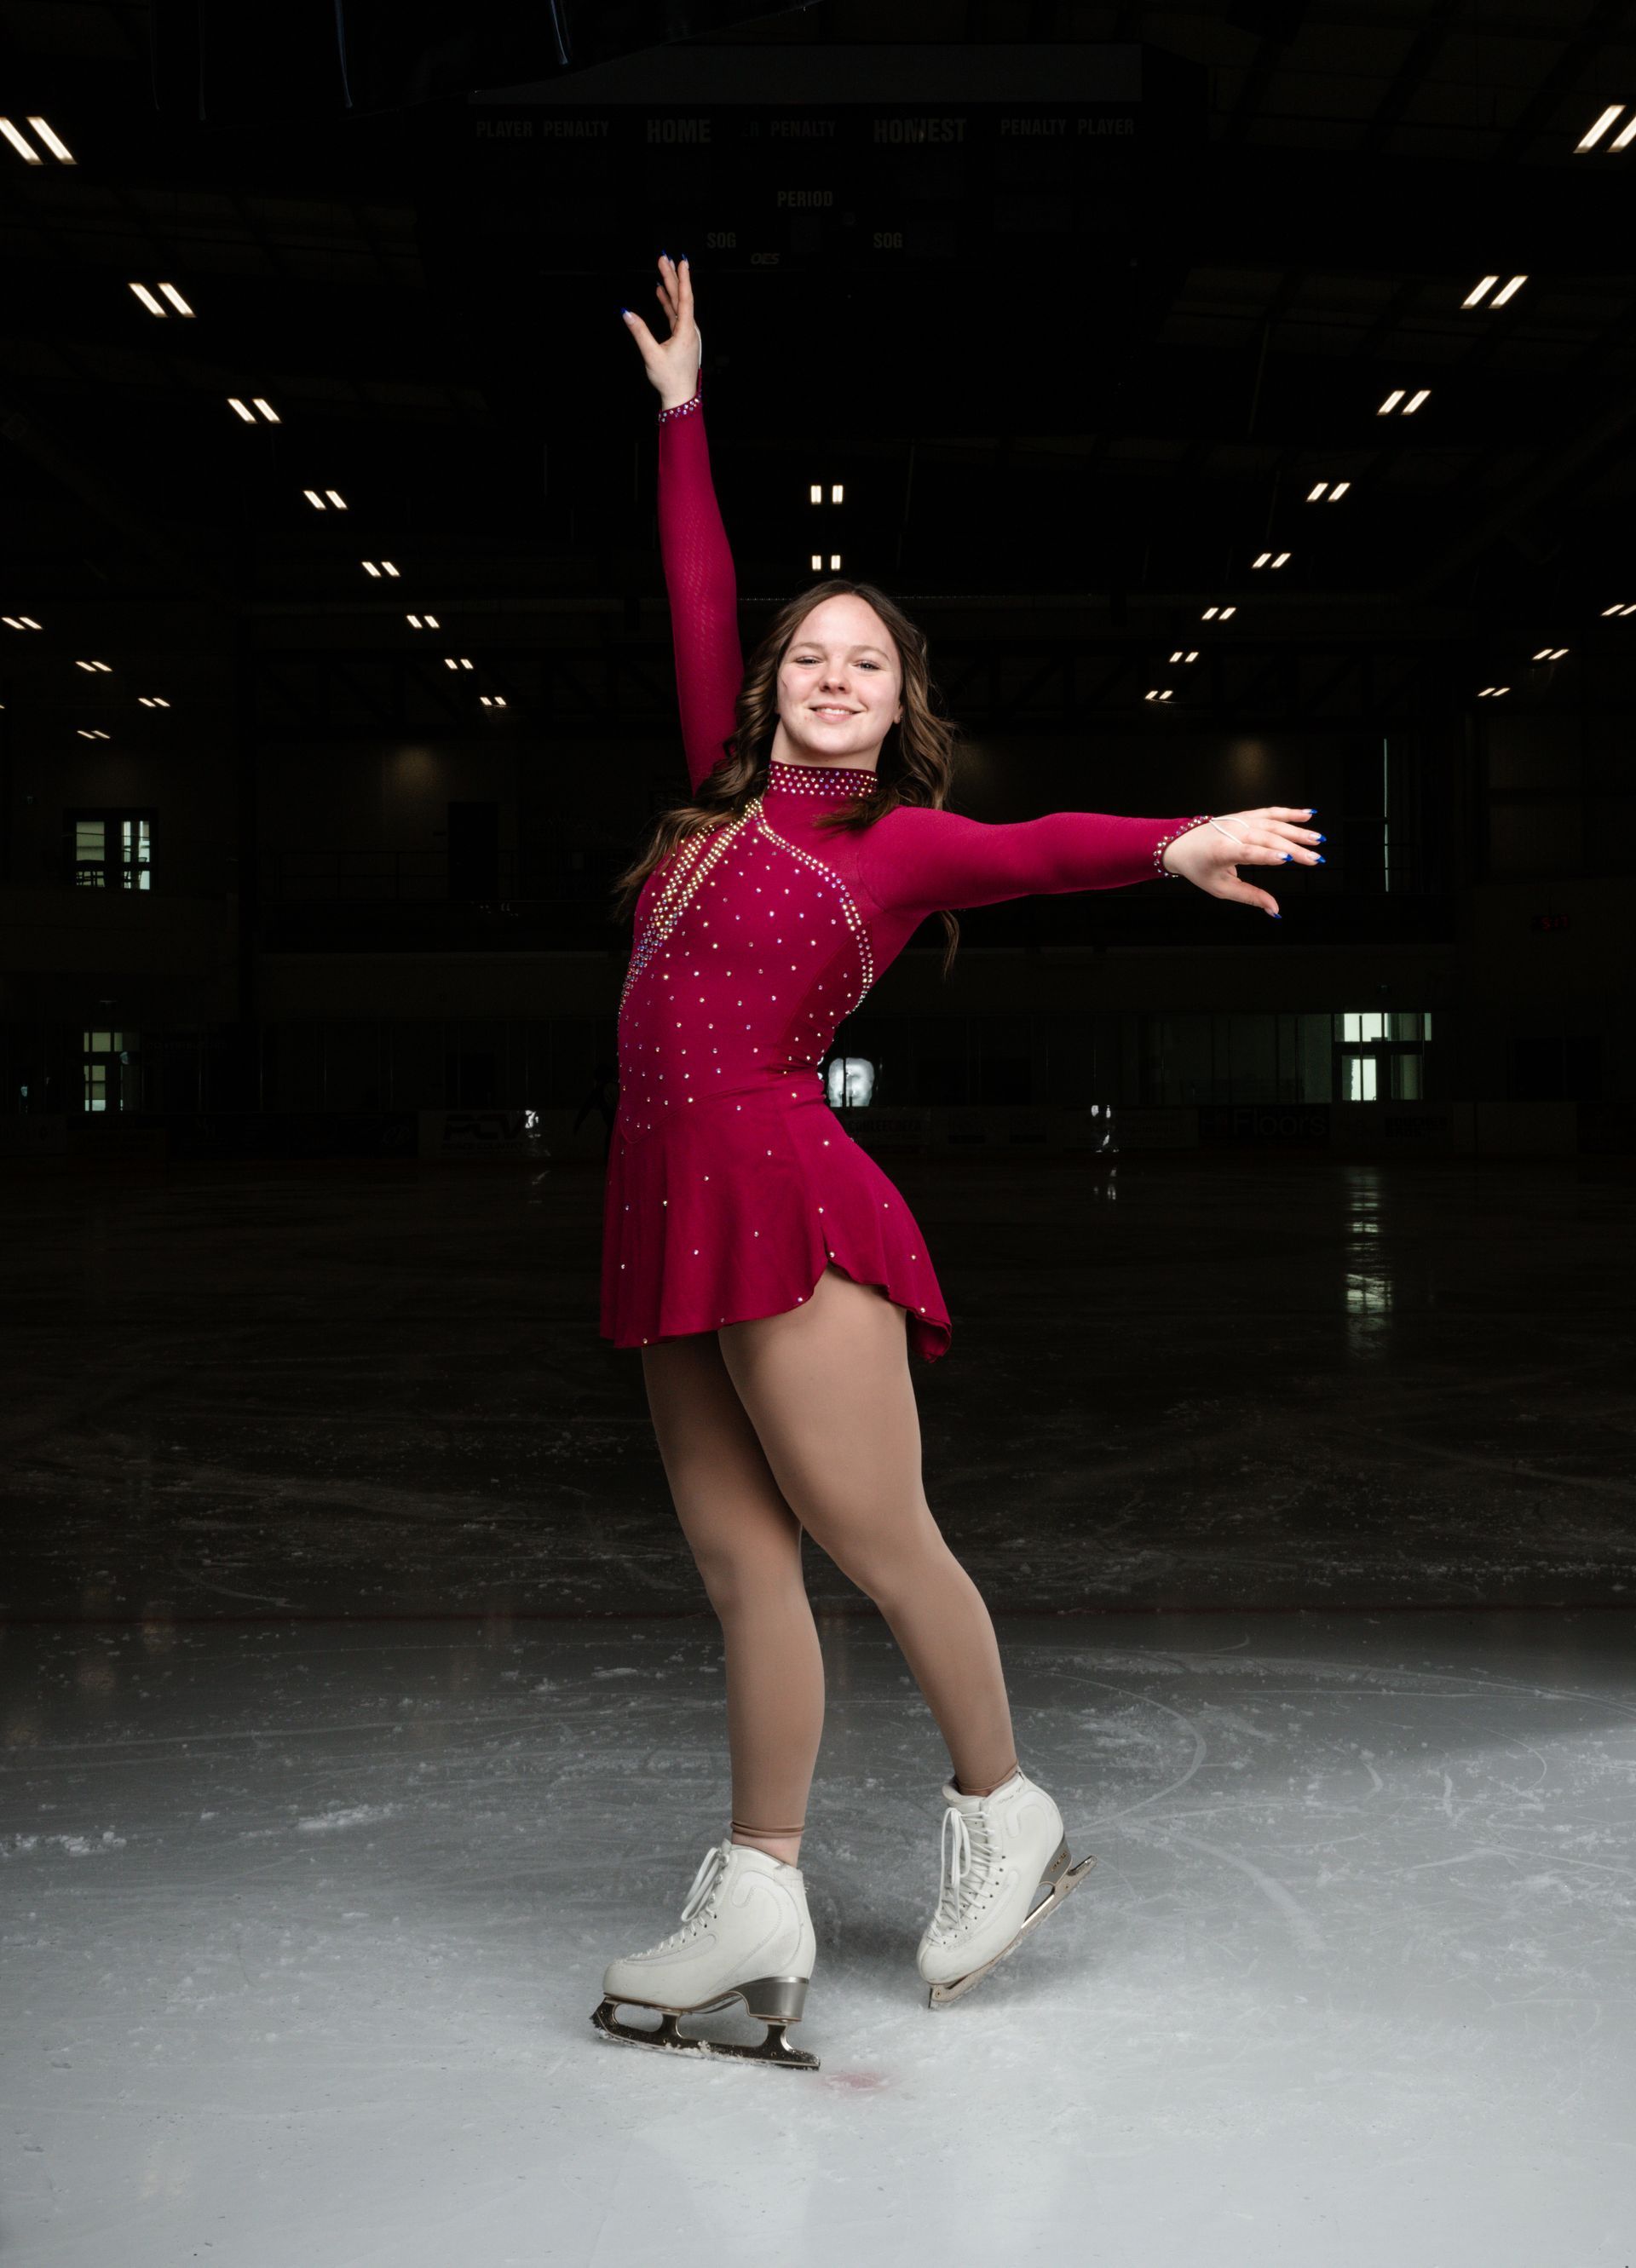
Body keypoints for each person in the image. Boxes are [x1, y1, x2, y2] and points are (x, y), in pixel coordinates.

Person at [590, 254, 1322, 2071]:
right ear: (769, 687)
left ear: (897, 697)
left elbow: (1044, 845)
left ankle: (1008, 1811)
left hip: (788, 1198)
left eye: (869, 659)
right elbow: (696, 587)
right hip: (663, 1201)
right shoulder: (713, 798)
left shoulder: (897, 845)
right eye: (809, 654)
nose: (834, 674)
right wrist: (684, 411)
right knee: (743, 1568)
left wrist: (1176, 840)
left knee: (879, 1538)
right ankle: (760, 1892)